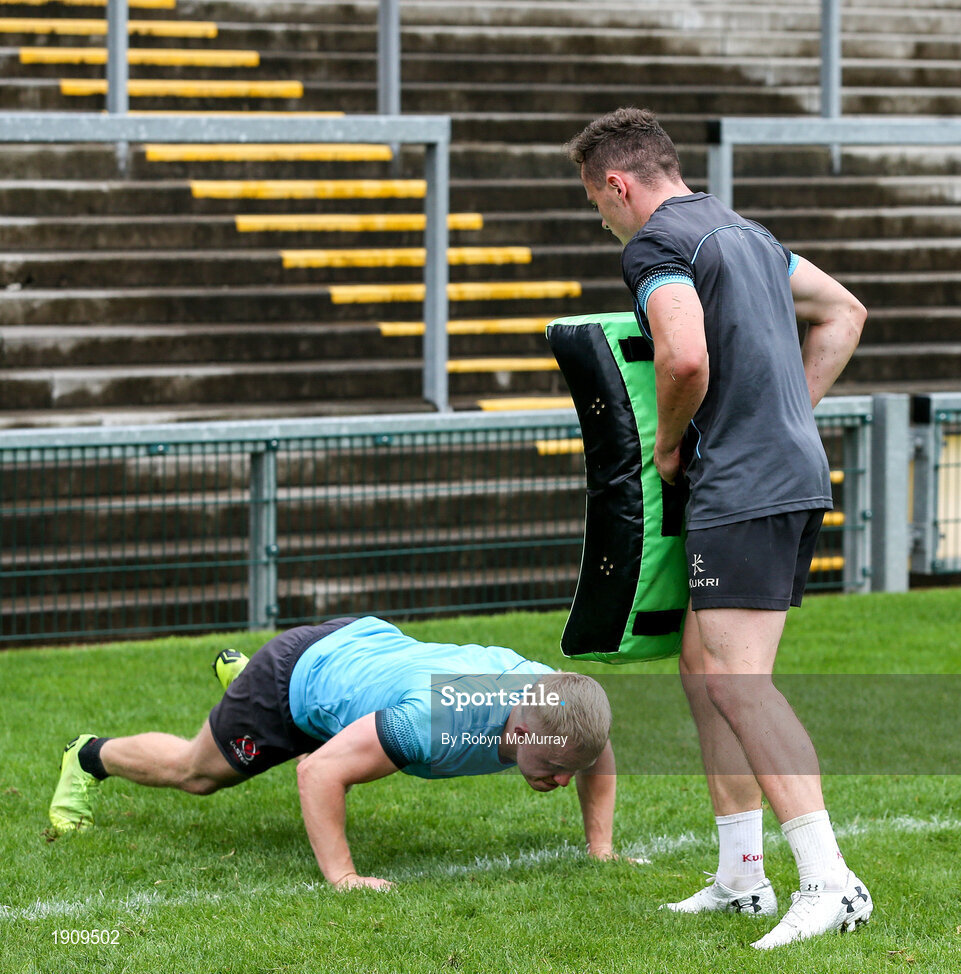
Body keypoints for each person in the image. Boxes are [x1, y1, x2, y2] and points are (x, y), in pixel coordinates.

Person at [565, 107, 870, 949]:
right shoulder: (747, 234)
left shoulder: (655, 245)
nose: (604, 220)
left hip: (740, 483)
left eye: (598, 203)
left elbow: (684, 356)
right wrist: (789, 415)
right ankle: (741, 877)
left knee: (739, 681)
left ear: (618, 184)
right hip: (770, 472)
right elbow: (844, 311)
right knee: (702, 672)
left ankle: (831, 884)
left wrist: (669, 445)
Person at [49, 616, 619, 890]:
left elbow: (596, 744)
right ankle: (88, 756)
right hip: (293, 678)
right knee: (196, 774)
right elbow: (317, 772)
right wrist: (344, 878)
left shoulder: (557, 701)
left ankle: (245, 689)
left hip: (360, 656)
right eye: (553, 769)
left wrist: (600, 848)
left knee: (347, 731)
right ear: (519, 736)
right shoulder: (433, 719)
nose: (562, 781)